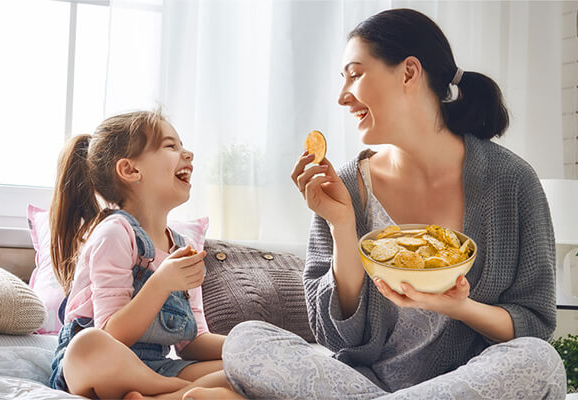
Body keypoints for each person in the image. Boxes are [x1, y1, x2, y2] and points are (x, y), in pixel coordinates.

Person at [217, 8, 567, 400]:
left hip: (470, 383)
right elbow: (334, 337)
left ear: (409, 72)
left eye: (355, 74)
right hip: (361, 383)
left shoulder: (511, 181)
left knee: (539, 360)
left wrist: (459, 306)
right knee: (245, 340)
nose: (342, 96)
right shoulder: (346, 185)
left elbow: (534, 323)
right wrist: (341, 226)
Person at [48, 110, 239, 399]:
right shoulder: (114, 233)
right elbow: (111, 335)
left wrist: (248, 346)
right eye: (170, 146)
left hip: (157, 367)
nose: (187, 154)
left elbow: (194, 342)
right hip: (102, 365)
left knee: (244, 370)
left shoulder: (184, 246)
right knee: (88, 346)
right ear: (130, 170)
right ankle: (179, 392)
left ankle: (159, 394)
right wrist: (161, 283)